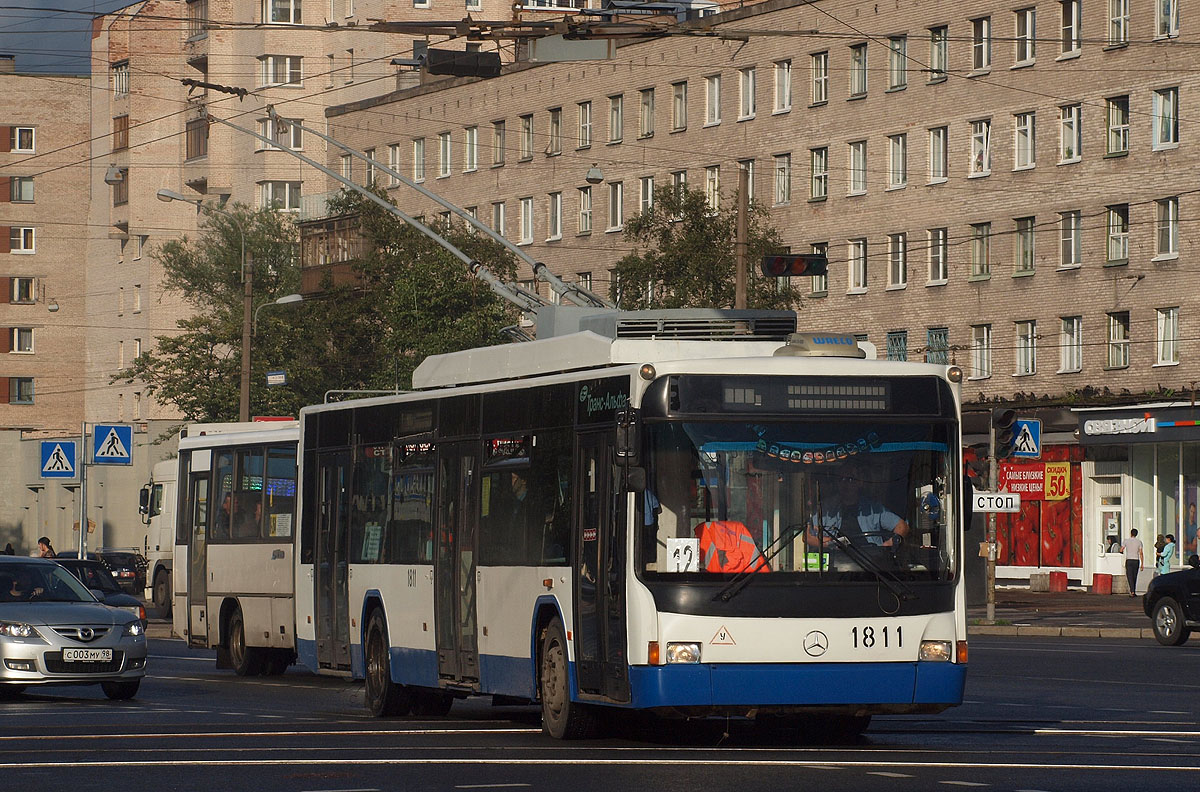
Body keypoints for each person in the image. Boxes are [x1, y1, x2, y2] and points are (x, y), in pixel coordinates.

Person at [806, 459, 910, 562]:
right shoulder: (826, 509)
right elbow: (807, 536)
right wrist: (830, 542)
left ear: (860, 483)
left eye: (850, 479)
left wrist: (887, 545)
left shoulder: (874, 509)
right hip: (836, 567)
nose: (845, 484)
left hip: (871, 567)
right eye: (841, 479)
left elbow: (902, 526)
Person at [1120, 528, 1143, 597]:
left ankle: (1132, 591)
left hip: (1129, 560)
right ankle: (1134, 590)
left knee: (1129, 576)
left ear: (1131, 533)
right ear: (1136, 534)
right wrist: (1142, 563)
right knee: (1134, 576)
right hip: (1136, 560)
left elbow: (1121, 549)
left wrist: (1121, 552)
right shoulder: (1139, 542)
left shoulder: (1126, 541)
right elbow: (1141, 553)